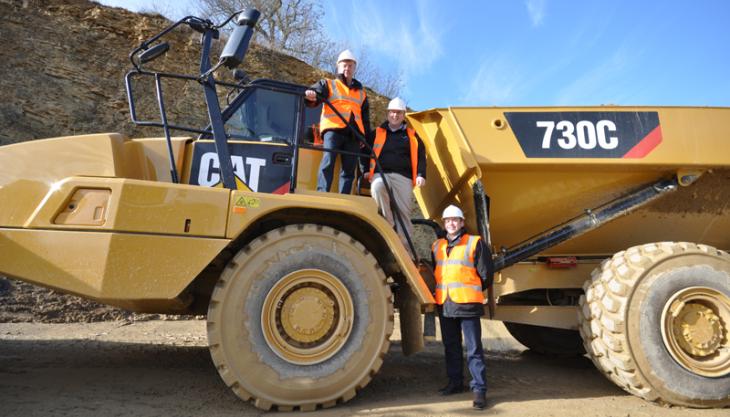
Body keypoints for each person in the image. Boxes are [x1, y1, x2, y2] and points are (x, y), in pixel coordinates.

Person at [432, 204, 493, 410]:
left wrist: (470, 290)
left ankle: (479, 391)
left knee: (474, 349)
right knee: (451, 347)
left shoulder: (475, 243)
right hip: (445, 303)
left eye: (455, 220)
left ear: (461, 223)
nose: (451, 223)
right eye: (447, 220)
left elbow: (486, 275)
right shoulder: (437, 246)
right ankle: (455, 383)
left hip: (467, 304)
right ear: (444, 223)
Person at [362, 97, 426, 254]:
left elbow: (421, 156)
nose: (395, 116)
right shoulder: (376, 133)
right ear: (387, 114)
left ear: (403, 115)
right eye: (392, 112)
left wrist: (420, 174)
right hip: (380, 173)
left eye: (398, 113)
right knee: (377, 187)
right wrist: (364, 169)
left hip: (403, 177)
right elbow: (363, 151)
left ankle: (407, 254)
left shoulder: (412, 135)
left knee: (403, 213)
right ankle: (389, 224)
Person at [305, 49, 370, 193]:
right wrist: (311, 95)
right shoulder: (328, 84)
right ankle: (322, 192)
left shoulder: (361, 93)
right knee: (328, 161)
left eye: (350, 65)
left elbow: (365, 119)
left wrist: (363, 137)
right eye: (344, 65)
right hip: (333, 130)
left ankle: (344, 197)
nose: (347, 68)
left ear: (354, 68)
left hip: (353, 135)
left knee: (349, 169)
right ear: (338, 66)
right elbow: (315, 93)